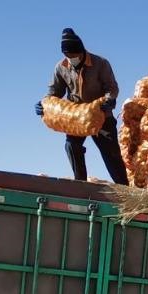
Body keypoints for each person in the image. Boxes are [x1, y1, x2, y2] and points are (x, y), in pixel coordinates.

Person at [36, 28, 129, 184]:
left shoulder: (100, 63)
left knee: (111, 153)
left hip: (100, 115)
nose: (72, 58)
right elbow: (54, 92)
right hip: (77, 117)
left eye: (74, 55)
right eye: (68, 56)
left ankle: (124, 187)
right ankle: (81, 184)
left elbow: (112, 88)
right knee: (71, 146)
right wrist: (43, 104)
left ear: (81, 51)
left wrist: (109, 101)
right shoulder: (61, 67)